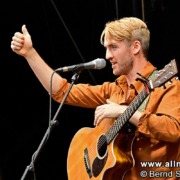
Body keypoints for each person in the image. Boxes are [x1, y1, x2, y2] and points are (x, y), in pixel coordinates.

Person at [11, 17, 180, 180]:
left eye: (113, 47)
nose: (107, 55)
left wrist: (124, 112)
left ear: (135, 47)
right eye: (106, 48)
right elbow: (62, 92)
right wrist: (29, 54)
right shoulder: (113, 90)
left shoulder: (166, 85)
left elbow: (174, 130)